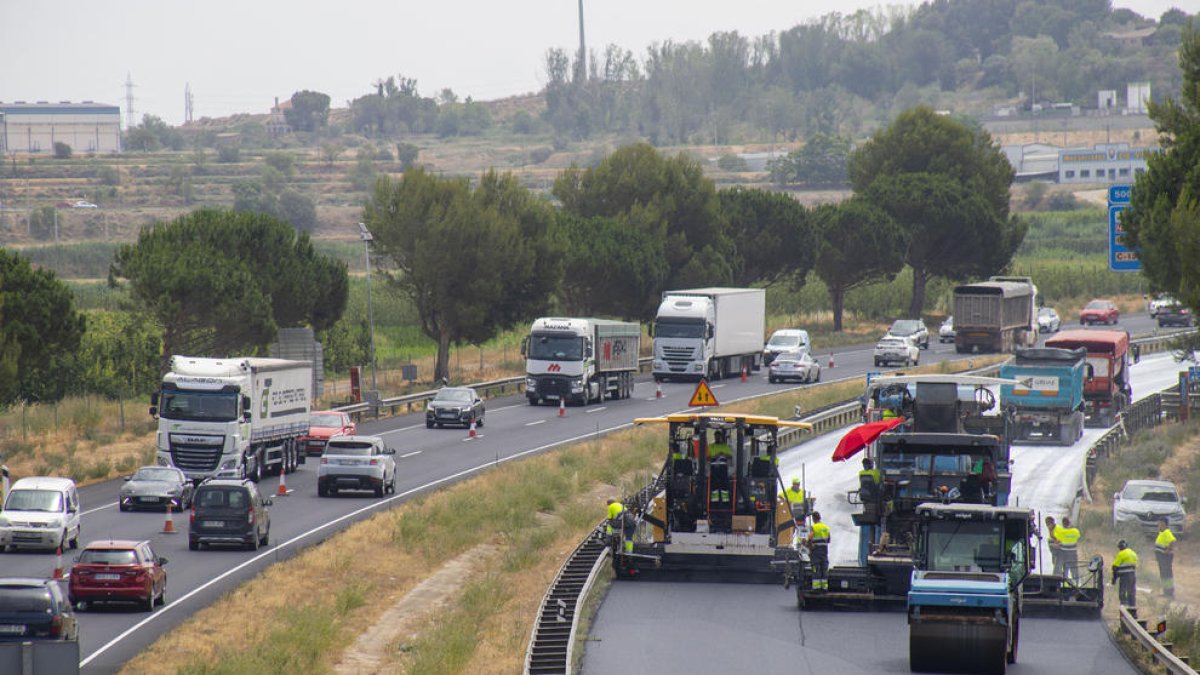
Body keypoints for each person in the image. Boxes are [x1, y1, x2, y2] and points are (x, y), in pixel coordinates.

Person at [807, 511, 831, 590]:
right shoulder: (826, 527)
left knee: (816, 568)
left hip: (816, 551)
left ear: (813, 518)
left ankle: (816, 588)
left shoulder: (814, 527)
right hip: (824, 551)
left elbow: (810, 538)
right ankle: (824, 587)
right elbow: (828, 540)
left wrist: (810, 547)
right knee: (824, 568)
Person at [1112, 539, 1139, 608]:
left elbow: (1115, 567)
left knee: (1122, 593)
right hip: (1132, 576)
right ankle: (1132, 607)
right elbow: (1135, 565)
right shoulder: (1133, 553)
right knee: (1131, 592)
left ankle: (1124, 607)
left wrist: (1114, 579)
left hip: (1124, 577)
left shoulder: (1121, 554)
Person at [1156, 518, 1177, 599]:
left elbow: (1172, 540)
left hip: (1165, 557)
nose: (1158, 526)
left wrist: (1168, 550)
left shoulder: (1167, 532)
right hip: (1162, 557)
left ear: (1164, 524)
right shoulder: (1162, 533)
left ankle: (1169, 592)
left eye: (1160, 524)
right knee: (1164, 574)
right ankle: (1166, 591)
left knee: (1167, 574)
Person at [1057, 517, 1081, 581]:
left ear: (1063, 524)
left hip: (1064, 553)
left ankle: (1065, 582)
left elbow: (1058, 541)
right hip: (1073, 553)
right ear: (1069, 523)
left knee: (1065, 569)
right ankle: (1077, 582)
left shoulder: (1061, 532)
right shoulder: (1076, 531)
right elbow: (1078, 538)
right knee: (1074, 568)